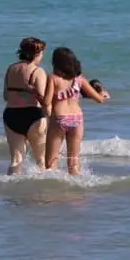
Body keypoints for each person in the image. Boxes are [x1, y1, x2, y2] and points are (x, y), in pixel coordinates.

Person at [41, 47, 109, 175]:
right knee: (73, 162)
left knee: (51, 162)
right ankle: (76, 192)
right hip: (77, 119)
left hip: (60, 118)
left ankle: (52, 193)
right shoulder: (80, 80)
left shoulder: (53, 78)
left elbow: (46, 102)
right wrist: (104, 94)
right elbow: (99, 99)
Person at [2, 36, 51, 173]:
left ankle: (12, 190)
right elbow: (43, 100)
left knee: (16, 160)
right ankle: (41, 191)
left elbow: (6, 96)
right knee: (41, 159)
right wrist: (51, 117)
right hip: (33, 115)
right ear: (37, 54)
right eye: (42, 53)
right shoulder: (38, 71)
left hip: (11, 115)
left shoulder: (10, 69)